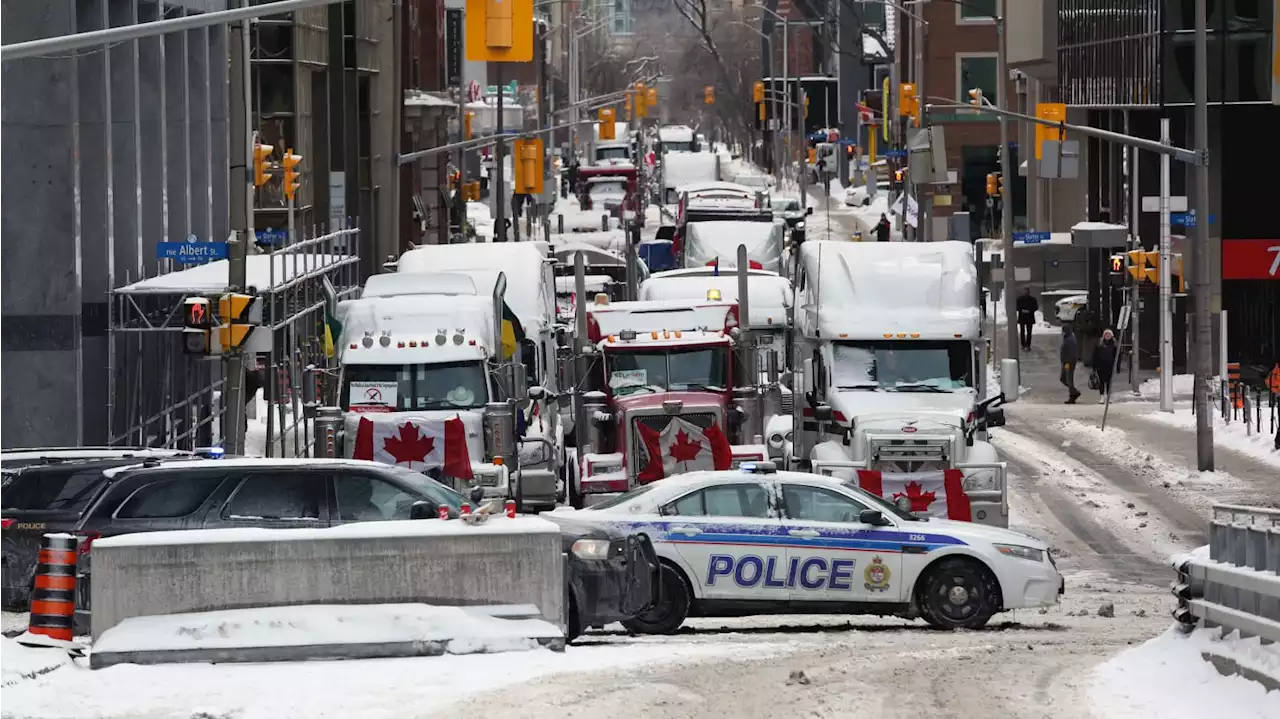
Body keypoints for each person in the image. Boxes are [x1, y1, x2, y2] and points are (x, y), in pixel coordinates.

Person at [1091, 329, 1118, 403]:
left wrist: (1117, 367)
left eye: (1109, 334)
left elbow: (1117, 356)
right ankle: (1102, 396)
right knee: (1101, 382)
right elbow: (1095, 355)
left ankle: (1109, 396)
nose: (1107, 336)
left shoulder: (1114, 344)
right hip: (1101, 366)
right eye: (1106, 334)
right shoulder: (1099, 344)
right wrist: (1094, 366)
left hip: (1110, 366)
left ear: (1111, 336)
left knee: (1109, 382)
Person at [1060, 324, 1081, 404]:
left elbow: (1072, 353)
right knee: (1064, 379)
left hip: (1068, 363)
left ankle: (1073, 395)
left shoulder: (1070, 340)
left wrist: (1068, 362)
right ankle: (1074, 392)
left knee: (1068, 380)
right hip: (1065, 362)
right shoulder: (1067, 338)